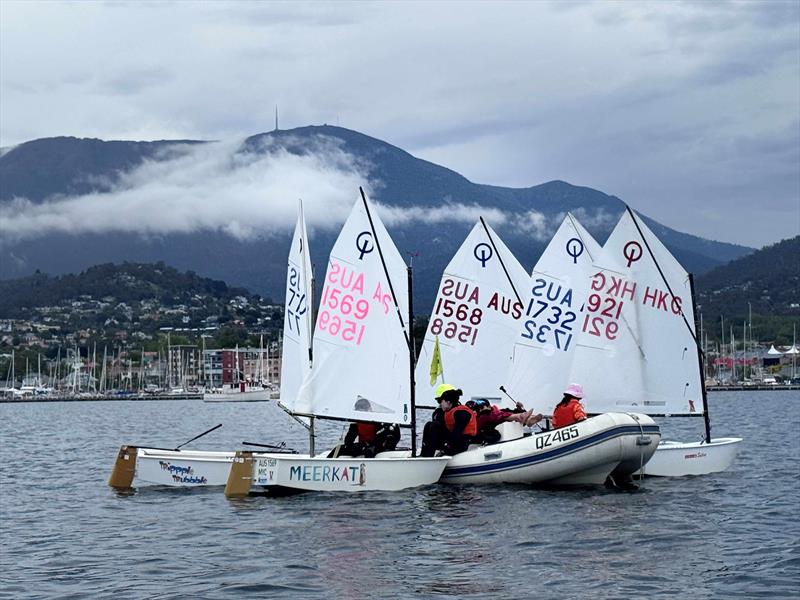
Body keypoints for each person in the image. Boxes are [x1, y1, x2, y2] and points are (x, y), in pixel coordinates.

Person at [329, 397, 400, 458]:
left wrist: (368, 444)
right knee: (338, 449)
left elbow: (382, 438)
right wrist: (350, 446)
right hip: (363, 446)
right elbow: (349, 440)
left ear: (369, 409)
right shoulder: (356, 423)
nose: (360, 413)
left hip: (377, 446)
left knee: (369, 451)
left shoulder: (377, 420)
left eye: (362, 410)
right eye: (358, 411)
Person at [420, 384, 477, 456]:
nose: (440, 404)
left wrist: (445, 448)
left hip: (462, 442)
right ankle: (424, 454)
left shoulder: (462, 413)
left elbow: (457, 433)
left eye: (440, 401)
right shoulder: (447, 412)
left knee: (435, 426)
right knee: (429, 424)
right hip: (452, 440)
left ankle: (429, 456)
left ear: (448, 401)